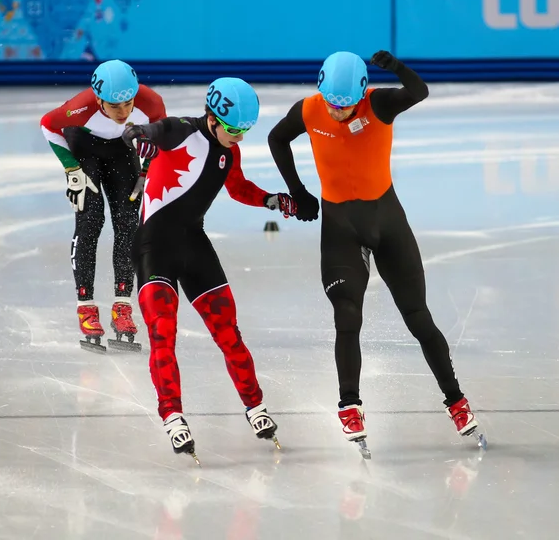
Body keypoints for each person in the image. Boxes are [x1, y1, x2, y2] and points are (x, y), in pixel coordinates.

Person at [266, 50, 485, 450]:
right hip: (339, 229)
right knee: (347, 314)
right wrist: (299, 193)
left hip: (388, 223)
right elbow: (276, 138)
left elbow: (419, 91)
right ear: (321, 91)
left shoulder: (379, 104)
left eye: (347, 106)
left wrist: (398, 68)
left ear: (362, 94)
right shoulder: (310, 109)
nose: (338, 112)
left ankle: (456, 400)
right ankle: (349, 404)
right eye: (333, 103)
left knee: (418, 318)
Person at [121, 77, 296, 463]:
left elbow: (237, 187)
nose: (239, 138)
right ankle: (172, 415)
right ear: (213, 117)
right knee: (162, 335)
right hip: (154, 247)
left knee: (229, 333)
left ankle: (255, 407)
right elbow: (146, 130)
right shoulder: (181, 130)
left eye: (245, 131)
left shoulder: (229, 152)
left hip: (194, 246)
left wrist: (270, 199)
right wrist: (139, 136)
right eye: (234, 129)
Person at [40, 59, 167, 350]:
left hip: (121, 151)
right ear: (98, 100)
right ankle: (86, 307)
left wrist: (147, 169)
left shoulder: (151, 101)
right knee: (90, 221)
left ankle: (122, 306)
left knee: (128, 223)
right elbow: (48, 126)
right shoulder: (79, 108)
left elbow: (160, 136)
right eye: (114, 106)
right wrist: (72, 170)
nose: (123, 112)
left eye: (128, 104)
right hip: (84, 148)